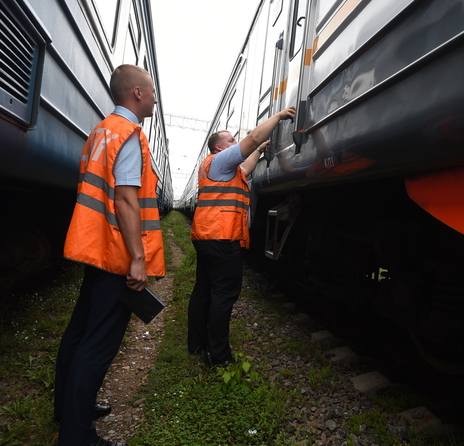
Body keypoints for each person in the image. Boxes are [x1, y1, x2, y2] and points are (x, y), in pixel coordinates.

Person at [54, 64, 165, 446]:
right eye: (151, 92)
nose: (154, 98)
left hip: (95, 247)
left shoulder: (101, 131)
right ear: (136, 93)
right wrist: (138, 258)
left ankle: (68, 410)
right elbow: (126, 200)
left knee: (78, 333)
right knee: (97, 345)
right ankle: (78, 435)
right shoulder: (130, 134)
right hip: (117, 253)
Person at [188, 106, 296, 365]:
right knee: (223, 296)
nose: (236, 143)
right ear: (219, 148)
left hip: (208, 237)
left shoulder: (224, 170)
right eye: (231, 140)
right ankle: (220, 356)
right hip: (222, 239)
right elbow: (253, 139)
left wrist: (259, 151)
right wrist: (279, 116)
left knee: (204, 291)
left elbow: (247, 164)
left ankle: (197, 344)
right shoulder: (220, 160)